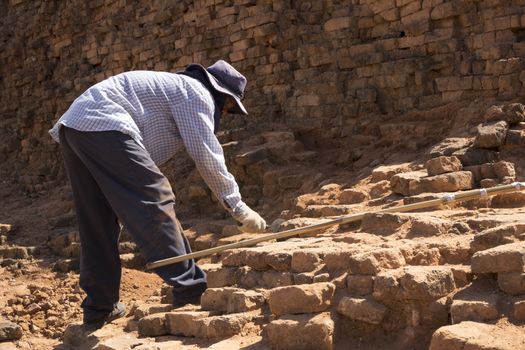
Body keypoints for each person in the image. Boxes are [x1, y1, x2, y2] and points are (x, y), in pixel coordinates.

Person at [48, 60, 267, 328]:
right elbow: (205, 153)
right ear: (220, 93)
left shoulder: (171, 90)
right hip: (105, 122)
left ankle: (100, 307)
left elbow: (139, 160)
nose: (225, 111)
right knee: (155, 196)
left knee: (98, 219)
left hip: (76, 126)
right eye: (229, 106)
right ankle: (190, 289)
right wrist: (237, 205)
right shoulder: (196, 93)